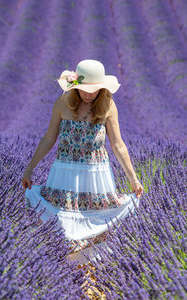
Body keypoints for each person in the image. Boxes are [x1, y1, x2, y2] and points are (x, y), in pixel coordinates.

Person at [22, 59, 144, 265]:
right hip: (65, 172)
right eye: (83, 89)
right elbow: (49, 138)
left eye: (93, 90)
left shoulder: (108, 106)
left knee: (96, 221)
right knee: (62, 223)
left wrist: (134, 179)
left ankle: (91, 274)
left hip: (95, 175)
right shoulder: (63, 102)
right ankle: (63, 270)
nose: (88, 94)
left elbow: (118, 145)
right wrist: (29, 170)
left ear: (102, 89)